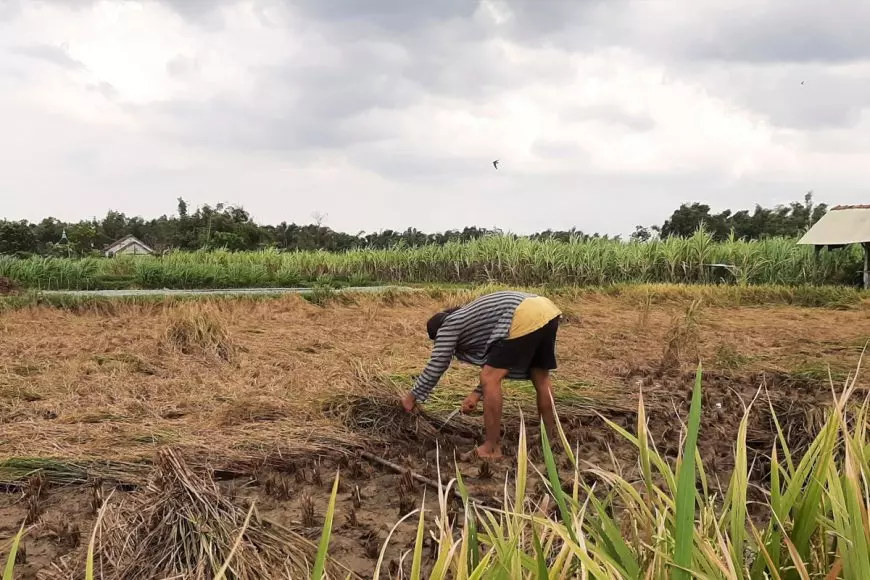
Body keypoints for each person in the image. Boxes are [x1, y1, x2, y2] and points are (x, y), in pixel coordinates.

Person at [400, 290, 562, 459]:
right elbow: (498, 360)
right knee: (541, 377)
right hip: (546, 309)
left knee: (490, 378)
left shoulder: (448, 325)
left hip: (524, 314)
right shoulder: (472, 318)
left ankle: (491, 448)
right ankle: (548, 438)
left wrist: (411, 398)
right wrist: (476, 395)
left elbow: (437, 364)